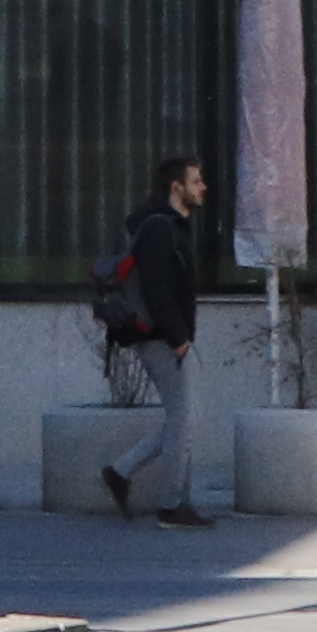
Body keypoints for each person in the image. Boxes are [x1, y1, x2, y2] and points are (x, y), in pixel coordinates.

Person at [92, 158, 214, 524]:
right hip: (162, 337)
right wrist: (177, 337)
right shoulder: (160, 229)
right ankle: (172, 505)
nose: (203, 187)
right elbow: (156, 287)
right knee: (183, 419)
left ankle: (121, 471)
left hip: (167, 335)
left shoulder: (167, 226)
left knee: (184, 418)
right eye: (196, 180)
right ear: (177, 188)